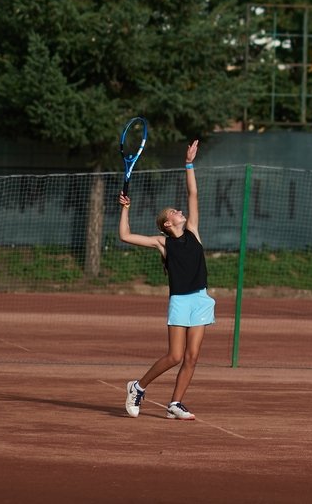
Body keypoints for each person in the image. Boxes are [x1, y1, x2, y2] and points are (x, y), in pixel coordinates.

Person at [119, 139, 213, 420]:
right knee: (174, 356)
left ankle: (175, 403)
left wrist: (189, 163)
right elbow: (125, 236)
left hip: (201, 298)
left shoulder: (193, 231)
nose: (179, 211)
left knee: (192, 357)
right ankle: (138, 386)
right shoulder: (162, 243)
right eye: (174, 212)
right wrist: (124, 208)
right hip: (180, 301)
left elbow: (193, 193)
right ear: (167, 223)